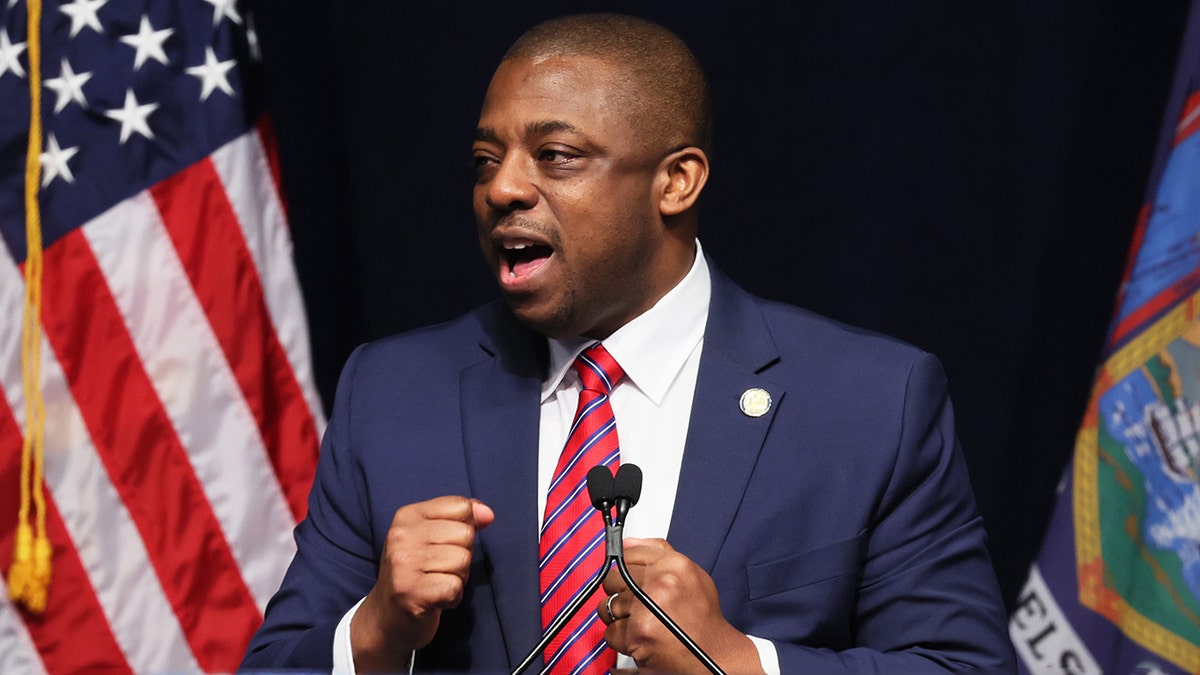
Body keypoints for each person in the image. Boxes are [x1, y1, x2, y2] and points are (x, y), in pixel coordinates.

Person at [241, 13, 1015, 674]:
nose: (503, 188)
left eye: (557, 156)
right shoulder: (393, 390)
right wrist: (375, 631)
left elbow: (961, 663)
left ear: (676, 181)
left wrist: (740, 660)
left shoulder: (873, 400)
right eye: (487, 160)